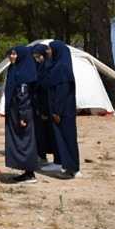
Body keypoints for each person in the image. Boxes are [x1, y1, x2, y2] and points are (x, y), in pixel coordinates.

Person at [45, 40, 81, 178]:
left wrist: (57, 111)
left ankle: (71, 169)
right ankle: (68, 167)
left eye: (50, 49)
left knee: (68, 140)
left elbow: (62, 92)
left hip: (63, 112)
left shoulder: (62, 69)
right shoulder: (56, 66)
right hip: (61, 111)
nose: (48, 51)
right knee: (63, 140)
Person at [4, 45, 39, 184]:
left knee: (25, 141)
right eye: (10, 54)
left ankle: (30, 174)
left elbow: (23, 96)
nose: (11, 56)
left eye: (14, 54)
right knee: (18, 141)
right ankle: (25, 171)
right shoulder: (14, 69)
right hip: (14, 112)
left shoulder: (24, 73)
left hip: (22, 112)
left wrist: (23, 116)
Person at [31, 43, 57, 169]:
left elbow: (46, 88)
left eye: (39, 56)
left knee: (50, 135)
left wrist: (45, 110)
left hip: (47, 107)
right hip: (39, 107)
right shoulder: (39, 67)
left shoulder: (49, 67)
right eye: (35, 57)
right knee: (40, 134)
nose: (37, 59)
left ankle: (55, 160)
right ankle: (41, 155)